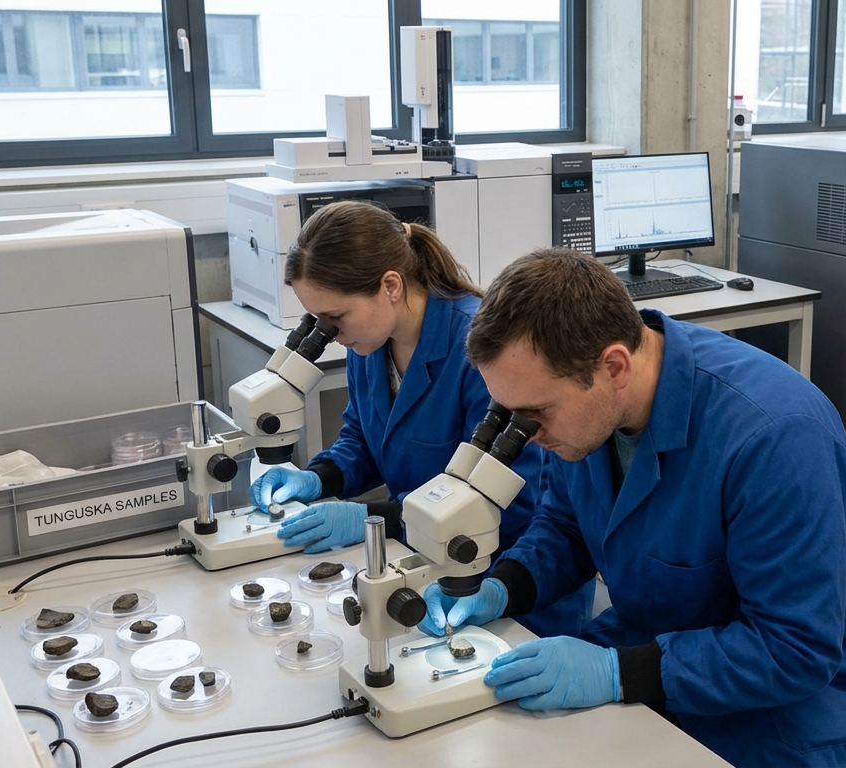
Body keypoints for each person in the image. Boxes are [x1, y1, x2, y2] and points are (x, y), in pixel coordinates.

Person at [421, 248, 846, 767]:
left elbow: (795, 648)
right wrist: (502, 587)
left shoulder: (774, 437)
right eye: (510, 412)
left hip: (801, 706)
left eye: (536, 412)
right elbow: (566, 526)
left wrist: (617, 673)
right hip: (657, 646)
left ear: (613, 366)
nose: (528, 433)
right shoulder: (586, 412)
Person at [250, 201, 591, 639]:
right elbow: (363, 439)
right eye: (317, 319)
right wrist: (318, 478)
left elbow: (511, 500)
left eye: (335, 317)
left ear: (390, 285)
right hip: (422, 565)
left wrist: (370, 518)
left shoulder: (480, 350)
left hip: (505, 585)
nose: (329, 333)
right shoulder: (369, 344)